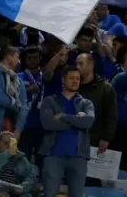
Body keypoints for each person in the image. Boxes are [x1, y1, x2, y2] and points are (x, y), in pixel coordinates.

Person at [39, 66, 95, 197]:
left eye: (78, 79)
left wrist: (63, 116)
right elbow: (48, 124)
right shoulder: (49, 101)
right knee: (49, 194)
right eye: (71, 78)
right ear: (63, 80)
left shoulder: (86, 104)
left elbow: (88, 122)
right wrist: (77, 121)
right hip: (53, 155)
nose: (75, 81)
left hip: (79, 157)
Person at [76, 53, 118, 156]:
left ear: (91, 65)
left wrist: (106, 138)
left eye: (81, 64)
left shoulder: (105, 88)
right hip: (74, 138)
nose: (77, 67)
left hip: (95, 139)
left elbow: (111, 115)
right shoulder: (73, 87)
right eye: (76, 64)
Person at [0, 131, 36, 197]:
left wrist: (23, 187)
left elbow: (31, 177)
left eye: (11, 144)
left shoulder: (20, 158)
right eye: (6, 143)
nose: (9, 146)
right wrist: (5, 155)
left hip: (13, 193)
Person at [17, 46, 44, 166]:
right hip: (25, 124)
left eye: (35, 58)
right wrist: (28, 89)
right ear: (25, 60)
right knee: (23, 158)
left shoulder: (45, 76)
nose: (32, 60)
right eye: (29, 58)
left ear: (40, 59)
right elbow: (12, 94)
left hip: (42, 124)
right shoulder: (19, 76)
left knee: (41, 159)